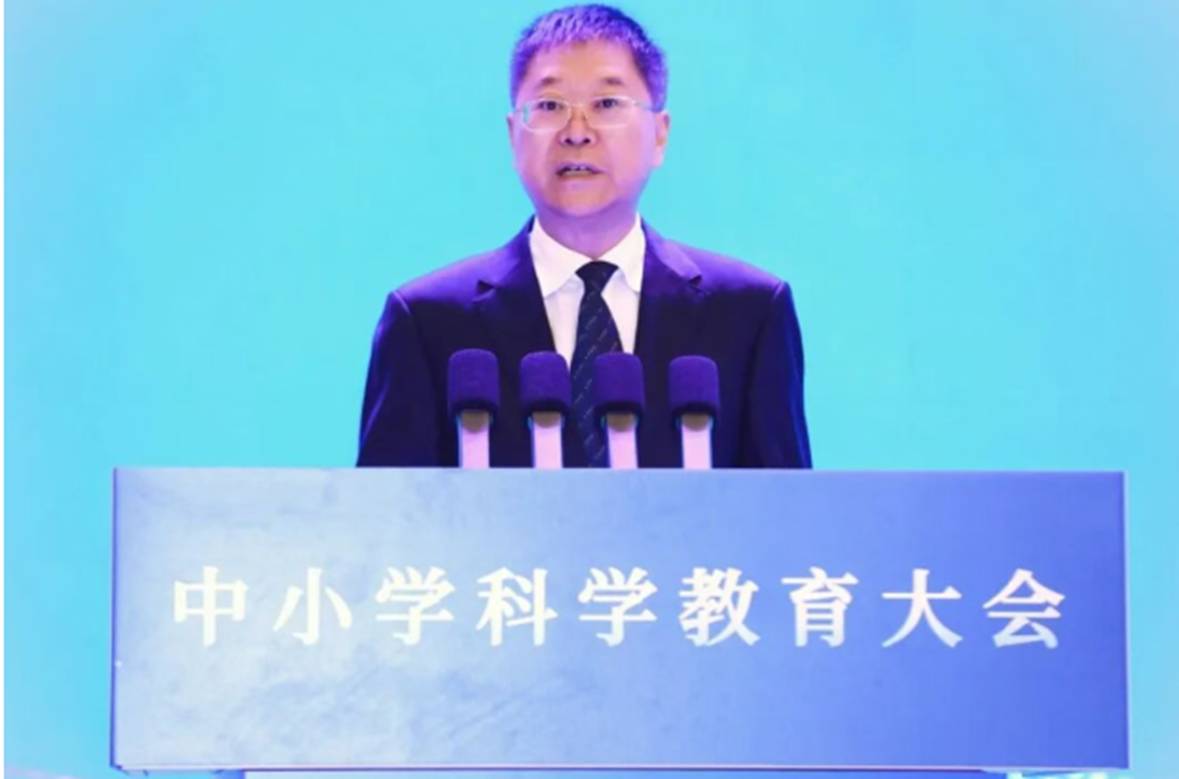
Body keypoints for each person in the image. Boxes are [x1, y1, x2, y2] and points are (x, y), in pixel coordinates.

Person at [358, 3, 810, 468]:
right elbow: (384, 510)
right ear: (513, 135)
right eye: (550, 106)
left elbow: (788, 507)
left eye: (607, 104)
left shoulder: (749, 313)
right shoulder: (427, 321)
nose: (577, 132)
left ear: (660, 134)